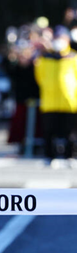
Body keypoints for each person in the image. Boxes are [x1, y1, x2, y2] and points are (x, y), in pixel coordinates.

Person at [34, 25, 77, 167]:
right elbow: (39, 77)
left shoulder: (73, 57)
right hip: (50, 101)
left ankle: (70, 156)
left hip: (69, 101)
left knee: (70, 132)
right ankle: (49, 156)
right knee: (49, 131)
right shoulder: (44, 58)